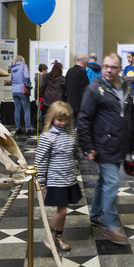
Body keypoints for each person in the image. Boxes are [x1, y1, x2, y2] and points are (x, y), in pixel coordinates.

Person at [78, 53, 134, 245]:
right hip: (103, 145)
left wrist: (131, 143)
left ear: (120, 69)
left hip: (120, 144)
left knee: (104, 181)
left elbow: (129, 117)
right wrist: (87, 146)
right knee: (111, 182)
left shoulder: (126, 88)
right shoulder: (94, 89)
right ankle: (110, 225)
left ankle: (95, 215)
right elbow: (84, 118)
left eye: (113, 67)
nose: (109, 70)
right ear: (102, 67)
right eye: (106, 66)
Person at [35, 101, 82, 252]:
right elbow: (40, 160)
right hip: (56, 180)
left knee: (64, 210)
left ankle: (59, 236)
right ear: (52, 118)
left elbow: (74, 152)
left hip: (69, 178)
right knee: (60, 211)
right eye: (59, 120)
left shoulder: (71, 134)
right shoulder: (47, 137)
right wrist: (40, 181)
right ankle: (49, 235)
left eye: (66, 119)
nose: (63, 123)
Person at [10, 55, 32, 137]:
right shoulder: (23, 65)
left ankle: (18, 129)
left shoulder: (12, 67)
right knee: (26, 109)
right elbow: (26, 76)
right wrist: (28, 84)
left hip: (14, 90)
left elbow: (12, 79)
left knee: (17, 109)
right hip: (22, 90)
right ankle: (27, 129)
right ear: (22, 60)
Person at [65, 55, 89, 125]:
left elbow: (66, 86)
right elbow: (85, 89)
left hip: (69, 103)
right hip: (79, 105)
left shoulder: (69, 71)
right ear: (84, 62)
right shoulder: (82, 72)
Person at [33, 63, 48, 131]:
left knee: (39, 112)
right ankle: (40, 128)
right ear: (43, 70)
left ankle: (38, 127)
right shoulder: (44, 77)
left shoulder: (36, 76)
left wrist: (36, 97)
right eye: (46, 70)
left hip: (38, 97)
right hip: (42, 97)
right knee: (40, 113)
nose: (47, 71)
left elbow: (36, 88)